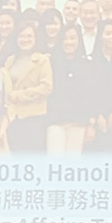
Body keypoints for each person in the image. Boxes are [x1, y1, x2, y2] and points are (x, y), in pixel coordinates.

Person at [5, 22, 53, 152]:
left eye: (29, 36)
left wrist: (19, 95)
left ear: (35, 38)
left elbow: (46, 87)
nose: (25, 39)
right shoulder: (10, 60)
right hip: (13, 117)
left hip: (34, 117)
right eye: (21, 36)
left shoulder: (42, 60)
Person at [47, 24, 94, 155]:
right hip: (55, 122)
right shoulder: (50, 62)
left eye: (73, 38)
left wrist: (91, 124)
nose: (69, 42)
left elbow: (90, 95)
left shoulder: (87, 65)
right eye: (65, 38)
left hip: (78, 122)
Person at [87, 19, 112, 152]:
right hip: (97, 116)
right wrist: (97, 114)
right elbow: (90, 90)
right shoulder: (91, 60)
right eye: (108, 33)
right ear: (101, 36)